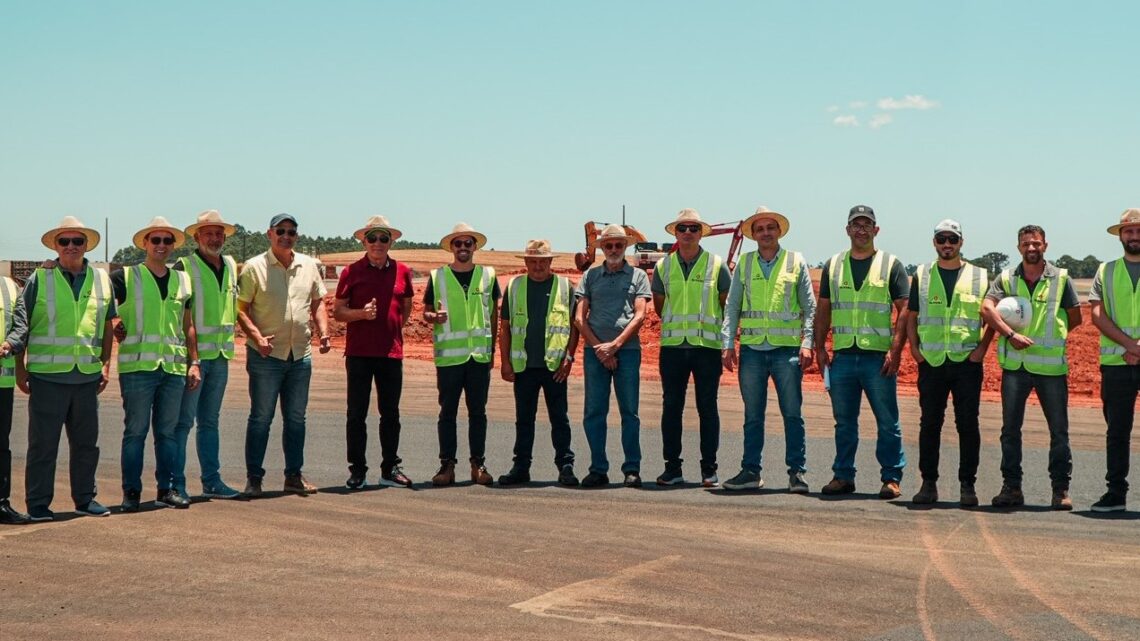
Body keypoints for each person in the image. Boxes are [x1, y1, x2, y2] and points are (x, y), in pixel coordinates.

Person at [0, 216, 114, 521]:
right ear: (56, 246)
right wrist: (21, 371)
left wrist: (105, 365)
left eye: (78, 241)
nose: (71, 247)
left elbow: (105, 326)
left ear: (86, 245)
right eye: (65, 241)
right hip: (47, 377)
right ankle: (38, 504)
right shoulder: (40, 279)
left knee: (87, 445)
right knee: (43, 446)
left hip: (86, 377)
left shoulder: (102, 280)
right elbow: (21, 325)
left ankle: (85, 499)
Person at [981, 224, 1081, 510]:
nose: (1031, 248)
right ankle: (1012, 488)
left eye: (1036, 243)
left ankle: (1060, 490)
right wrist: (1010, 334)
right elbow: (987, 309)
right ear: (1018, 247)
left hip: (1051, 369)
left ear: (1045, 246)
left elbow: (1075, 318)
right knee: (1010, 430)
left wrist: (1050, 340)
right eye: (1026, 244)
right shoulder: (1006, 278)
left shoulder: (1061, 279)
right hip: (1015, 366)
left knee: (1059, 431)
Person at [814, 205, 909, 499]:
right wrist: (819, 347)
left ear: (876, 230)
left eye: (867, 224)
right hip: (843, 358)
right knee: (844, 422)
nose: (861, 229)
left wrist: (896, 350)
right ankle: (843, 476)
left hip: (877, 359)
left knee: (886, 421)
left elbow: (904, 310)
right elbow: (824, 309)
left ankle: (891, 477)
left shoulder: (891, 265)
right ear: (847, 230)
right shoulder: (834, 265)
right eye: (856, 224)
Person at [721, 206, 816, 493]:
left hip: (786, 351)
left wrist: (807, 342)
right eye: (759, 229)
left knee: (792, 413)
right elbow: (732, 306)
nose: (765, 233)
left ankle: (797, 473)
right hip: (752, 350)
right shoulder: (746, 264)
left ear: (779, 231)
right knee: (753, 415)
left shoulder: (795, 261)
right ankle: (751, 471)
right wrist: (728, 344)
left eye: (770, 228)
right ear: (753, 235)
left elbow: (810, 308)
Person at [237, 213, 331, 497]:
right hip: (266, 357)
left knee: (296, 419)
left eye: (291, 232)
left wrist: (323, 332)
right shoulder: (254, 268)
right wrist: (257, 337)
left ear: (296, 236)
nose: (286, 236)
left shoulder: (308, 266)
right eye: (281, 231)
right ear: (269, 234)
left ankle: (294, 476)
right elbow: (240, 310)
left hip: (300, 356)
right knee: (261, 418)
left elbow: (318, 303)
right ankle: (254, 479)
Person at [905, 219, 993, 507]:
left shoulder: (980, 276)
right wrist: (915, 351)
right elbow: (912, 315)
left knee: (967, 424)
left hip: (966, 362)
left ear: (961, 243)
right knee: (930, 423)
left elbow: (991, 316)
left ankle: (967, 486)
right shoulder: (922, 274)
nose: (947, 244)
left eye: (952, 239)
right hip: (931, 362)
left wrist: (982, 348)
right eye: (941, 239)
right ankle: (928, 483)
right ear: (934, 242)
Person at [114, 217, 199, 511]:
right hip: (137, 369)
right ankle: (131, 493)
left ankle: (167, 489)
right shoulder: (124, 276)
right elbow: (103, 309)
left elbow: (188, 325)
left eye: (167, 241)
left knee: (167, 433)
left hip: (173, 369)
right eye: (156, 240)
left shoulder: (182, 280)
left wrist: (194, 361)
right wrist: (115, 324)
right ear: (145, 244)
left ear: (173, 245)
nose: (161, 246)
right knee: (135, 432)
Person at [332, 215, 415, 490]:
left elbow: (405, 308)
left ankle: (390, 468)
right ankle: (357, 470)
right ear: (363, 241)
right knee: (356, 413)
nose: (378, 243)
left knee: (390, 413)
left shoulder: (402, 271)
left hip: (391, 353)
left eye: (383, 238)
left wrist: (391, 330)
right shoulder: (351, 272)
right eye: (372, 238)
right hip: (359, 354)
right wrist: (362, 314)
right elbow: (338, 312)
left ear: (391, 241)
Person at [652, 209, 730, 487]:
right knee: (671, 407)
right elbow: (660, 304)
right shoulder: (664, 266)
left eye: (693, 228)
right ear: (676, 232)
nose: (687, 233)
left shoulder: (717, 264)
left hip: (706, 347)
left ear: (701, 233)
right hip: (673, 347)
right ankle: (672, 468)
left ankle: (709, 469)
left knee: (707, 408)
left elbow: (725, 304)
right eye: (683, 228)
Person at [172, 210, 243, 500]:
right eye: (208, 233)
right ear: (197, 237)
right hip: (194, 359)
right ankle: (176, 483)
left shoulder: (230, 265)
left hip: (221, 355)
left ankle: (212, 480)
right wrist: (193, 359)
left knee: (210, 421)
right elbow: (177, 313)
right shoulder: (183, 266)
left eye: (218, 233)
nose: (214, 238)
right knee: (183, 422)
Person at [497, 239, 580, 487]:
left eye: (542, 261)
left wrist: (568, 358)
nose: (537, 266)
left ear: (550, 262)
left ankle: (565, 466)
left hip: (555, 366)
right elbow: (506, 328)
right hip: (524, 367)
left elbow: (574, 327)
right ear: (525, 262)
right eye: (532, 261)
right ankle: (521, 467)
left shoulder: (566, 287)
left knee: (559, 418)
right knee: (524, 419)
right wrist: (505, 363)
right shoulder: (514, 287)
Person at [574, 224, 651, 488]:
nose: (614, 249)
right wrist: (599, 348)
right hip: (594, 353)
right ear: (602, 249)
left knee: (630, 412)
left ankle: (632, 468)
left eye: (619, 245)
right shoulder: (590, 276)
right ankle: (598, 469)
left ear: (625, 247)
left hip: (627, 351)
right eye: (609, 246)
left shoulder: (638, 276)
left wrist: (615, 346)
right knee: (594, 411)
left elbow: (640, 315)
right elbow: (578, 317)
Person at [423, 223, 500, 486]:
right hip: (450, 358)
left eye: (468, 243)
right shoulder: (438, 277)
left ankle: (478, 464)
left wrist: (492, 351)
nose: (463, 248)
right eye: (458, 244)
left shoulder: (488, 275)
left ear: (475, 247)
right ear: (451, 247)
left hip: (478, 357)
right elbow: (426, 313)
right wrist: (434, 316)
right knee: (448, 413)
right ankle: (447, 466)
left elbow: (493, 315)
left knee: (478, 412)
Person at [1087, 208, 1140, 512]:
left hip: (1130, 355)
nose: (1133, 236)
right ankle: (1115, 492)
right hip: (1117, 363)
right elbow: (1097, 314)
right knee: (1117, 432)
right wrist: (1130, 345)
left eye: (1138, 231)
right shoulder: (1105, 271)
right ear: (1120, 235)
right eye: (1128, 231)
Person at [0, 274, 29, 524]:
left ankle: (1, 502)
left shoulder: (10, 287)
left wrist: (10, 343)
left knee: (1, 445)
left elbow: (21, 325)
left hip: (2, 382)